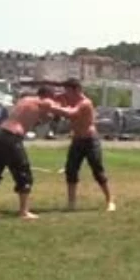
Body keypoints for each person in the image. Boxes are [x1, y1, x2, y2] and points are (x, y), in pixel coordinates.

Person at [0, 87, 59, 220]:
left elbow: (40, 119)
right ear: (46, 95)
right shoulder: (42, 101)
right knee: (24, 173)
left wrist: (49, 117)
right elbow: (59, 110)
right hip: (12, 139)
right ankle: (24, 212)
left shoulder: (25, 101)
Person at [49, 79, 116, 212]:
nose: (65, 94)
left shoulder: (85, 103)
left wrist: (50, 107)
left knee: (97, 171)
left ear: (77, 90)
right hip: (77, 140)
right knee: (71, 171)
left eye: (68, 91)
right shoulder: (68, 99)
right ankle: (71, 203)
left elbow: (71, 113)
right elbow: (53, 98)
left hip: (90, 140)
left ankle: (110, 201)